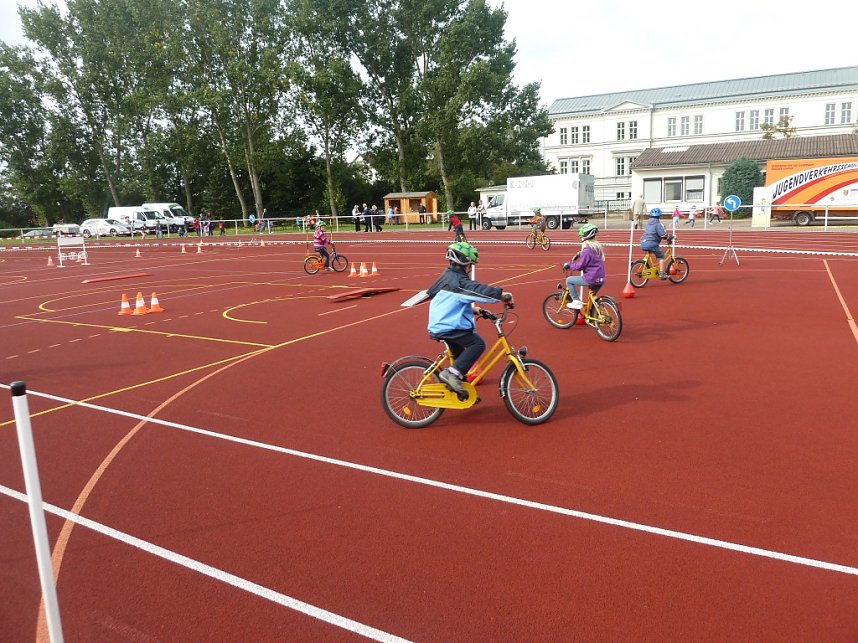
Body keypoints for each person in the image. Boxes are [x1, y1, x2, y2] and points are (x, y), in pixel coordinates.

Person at [426, 241, 512, 395]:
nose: (470, 268)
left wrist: (474, 310)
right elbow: (480, 291)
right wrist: (502, 295)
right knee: (477, 344)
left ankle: (458, 389)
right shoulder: (459, 282)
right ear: (464, 263)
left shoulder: (447, 276)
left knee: (459, 357)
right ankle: (450, 375)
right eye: (470, 265)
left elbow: (448, 301)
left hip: (442, 323)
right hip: (448, 326)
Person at [563, 224, 606, 309]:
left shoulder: (587, 250)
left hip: (591, 278)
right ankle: (593, 315)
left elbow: (580, 266)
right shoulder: (597, 247)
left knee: (569, 280)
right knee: (591, 300)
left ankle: (576, 301)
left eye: (581, 237)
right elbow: (590, 256)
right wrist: (580, 254)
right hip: (600, 278)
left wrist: (569, 264)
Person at [640, 208, 672, 279]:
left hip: (643, 242)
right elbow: (663, 235)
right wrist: (669, 237)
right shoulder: (658, 224)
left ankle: (644, 265)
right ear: (660, 216)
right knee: (662, 256)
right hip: (652, 244)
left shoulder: (648, 223)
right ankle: (662, 273)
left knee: (649, 253)